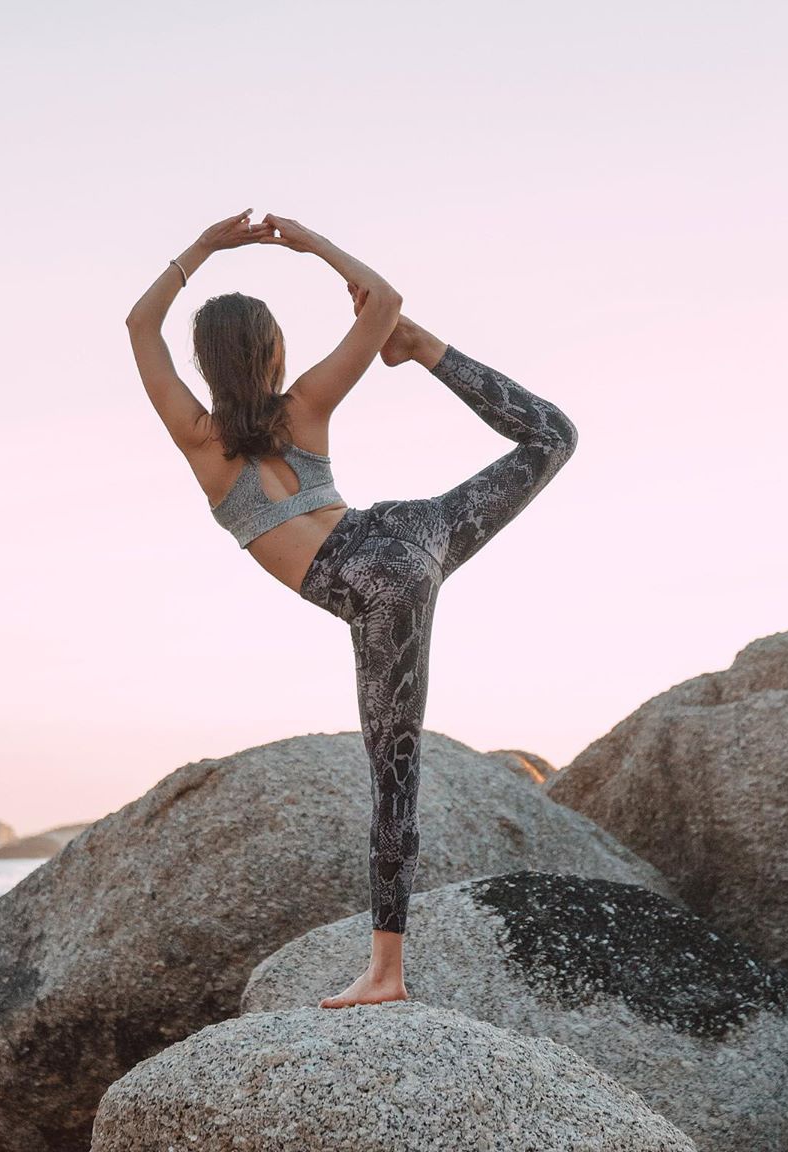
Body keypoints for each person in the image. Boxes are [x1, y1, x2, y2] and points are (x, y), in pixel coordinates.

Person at [125, 208, 578, 1009]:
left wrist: (202, 248)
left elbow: (139, 324)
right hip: (405, 530)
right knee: (550, 437)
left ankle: (386, 975)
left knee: (392, 778)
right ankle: (426, 352)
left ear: (206, 361)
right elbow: (383, 299)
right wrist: (312, 246)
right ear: (273, 354)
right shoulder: (303, 406)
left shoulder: (198, 439)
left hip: (372, 584)